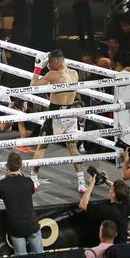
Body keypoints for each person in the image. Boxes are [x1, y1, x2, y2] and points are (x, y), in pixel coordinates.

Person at [32, 49, 85, 191]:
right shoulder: (74, 73)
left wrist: (37, 67)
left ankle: (33, 177)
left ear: (55, 62)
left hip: (55, 112)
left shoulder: (53, 74)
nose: (47, 65)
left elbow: (33, 86)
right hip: (70, 113)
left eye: (49, 62)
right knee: (72, 147)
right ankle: (81, 181)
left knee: (42, 146)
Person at [0, 152, 41, 254]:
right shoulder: (28, 181)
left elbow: (1, 195)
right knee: (40, 256)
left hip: (16, 226)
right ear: (21, 166)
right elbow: (31, 191)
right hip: (31, 223)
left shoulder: (2, 185)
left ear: (7, 166)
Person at [78, 172, 130, 243]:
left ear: (114, 194)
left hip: (110, 247)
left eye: (112, 188)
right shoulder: (126, 203)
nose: (111, 187)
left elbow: (83, 204)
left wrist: (91, 184)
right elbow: (121, 191)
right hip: (122, 244)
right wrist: (106, 181)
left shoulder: (108, 210)